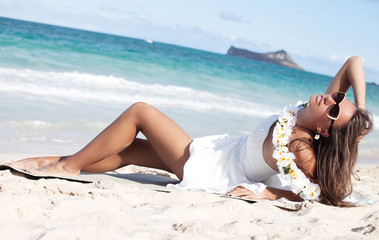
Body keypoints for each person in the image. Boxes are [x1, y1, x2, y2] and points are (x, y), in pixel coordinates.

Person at [9, 56, 373, 206]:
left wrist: (267, 195)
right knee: (131, 151)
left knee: (140, 112)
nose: (330, 97)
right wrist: (359, 108)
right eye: (337, 96)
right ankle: (43, 165)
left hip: (212, 171)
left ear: (327, 131)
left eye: (335, 108)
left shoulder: (300, 146)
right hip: (215, 150)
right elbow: (354, 62)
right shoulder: (308, 111)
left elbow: (318, 195)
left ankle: (67, 168)